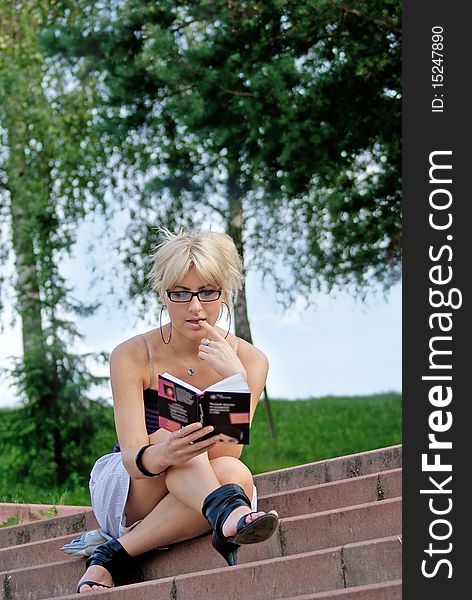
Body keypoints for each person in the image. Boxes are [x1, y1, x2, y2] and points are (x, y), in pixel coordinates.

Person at [77, 229, 279, 593]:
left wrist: (234, 379)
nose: (195, 307)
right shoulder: (133, 354)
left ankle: (110, 557)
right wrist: (165, 451)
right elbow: (132, 457)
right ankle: (227, 513)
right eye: (181, 294)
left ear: (226, 292)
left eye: (207, 292)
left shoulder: (250, 361)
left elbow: (226, 452)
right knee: (173, 436)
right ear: (163, 294)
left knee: (236, 472)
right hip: (135, 484)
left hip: (197, 487)